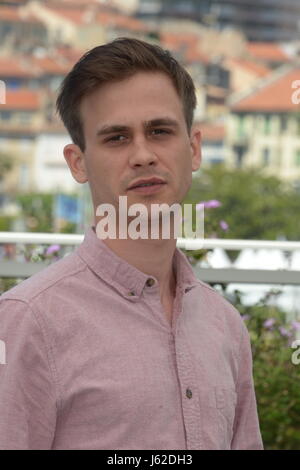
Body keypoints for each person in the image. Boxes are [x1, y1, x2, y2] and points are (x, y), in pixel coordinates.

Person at [0, 38, 263, 450]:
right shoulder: (27, 323)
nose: (143, 155)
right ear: (78, 162)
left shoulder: (225, 326)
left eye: (160, 131)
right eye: (117, 138)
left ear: (193, 148)